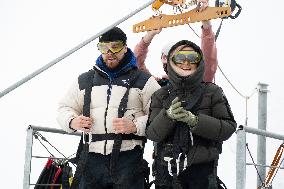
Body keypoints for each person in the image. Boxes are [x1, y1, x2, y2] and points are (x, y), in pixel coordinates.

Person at [57, 27, 161, 189]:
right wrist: (72, 121)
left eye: (115, 46)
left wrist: (135, 126)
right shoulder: (84, 80)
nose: (110, 52)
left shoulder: (144, 81)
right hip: (90, 158)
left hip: (128, 158)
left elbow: (160, 116)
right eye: (104, 47)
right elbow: (64, 108)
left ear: (125, 48)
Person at [145, 40, 237, 189]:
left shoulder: (213, 92)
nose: (186, 63)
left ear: (199, 62)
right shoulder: (160, 95)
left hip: (202, 174)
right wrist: (167, 116)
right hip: (166, 173)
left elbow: (228, 128)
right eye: (180, 58)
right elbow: (152, 134)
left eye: (192, 58)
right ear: (171, 62)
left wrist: (196, 121)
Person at [134, 2, 217, 86]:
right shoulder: (157, 86)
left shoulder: (198, 83)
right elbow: (135, 64)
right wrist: (149, 35)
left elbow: (208, 60)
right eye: (179, 58)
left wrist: (206, 24)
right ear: (165, 58)